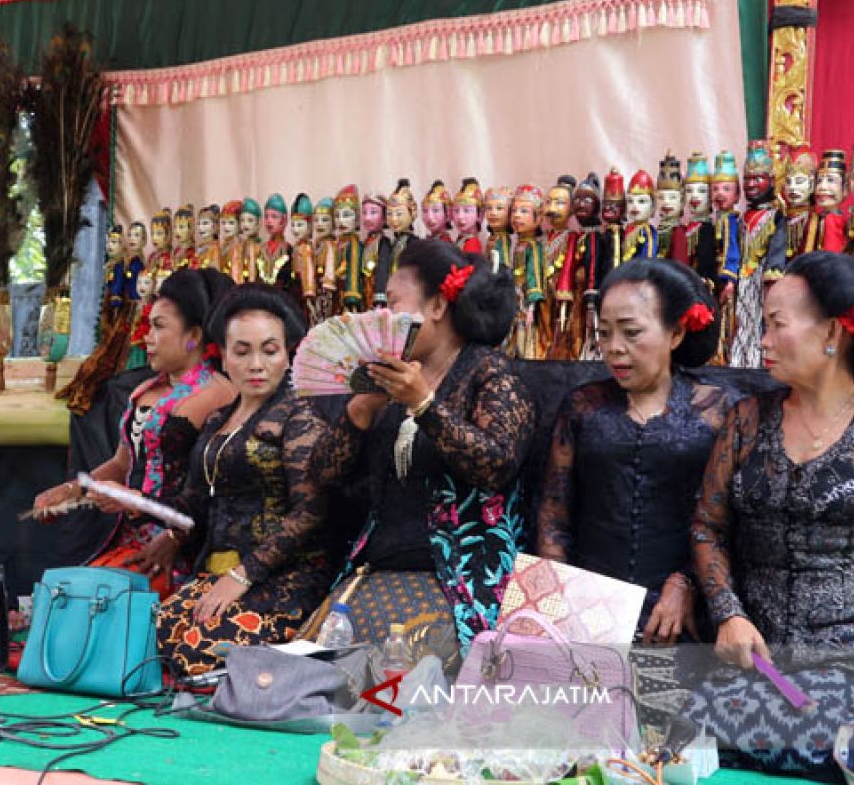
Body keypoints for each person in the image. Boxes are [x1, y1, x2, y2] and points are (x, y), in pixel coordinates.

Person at [313, 240, 535, 663]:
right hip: (376, 568)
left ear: (436, 307)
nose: (381, 316)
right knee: (320, 665)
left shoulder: (490, 374)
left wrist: (425, 405)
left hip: (460, 579)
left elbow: (495, 465)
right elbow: (321, 479)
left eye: (393, 303)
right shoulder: (388, 380)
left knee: (405, 670)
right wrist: (358, 411)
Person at [537, 258, 728, 644]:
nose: (614, 349)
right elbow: (554, 514)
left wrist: (689, 583)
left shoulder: (719, 411)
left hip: (681, 615)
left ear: (675, 333)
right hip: (587, 607)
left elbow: (728, 522)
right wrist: (553, 605)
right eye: (604, 334)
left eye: (631, 332)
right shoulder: (582, 406)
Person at [152, 285, 332, 675]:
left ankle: (300, 657)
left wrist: (243, 574)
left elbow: (312, 511)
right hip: (220, 572)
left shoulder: (299, 417)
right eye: (242, 351)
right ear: (224, 356)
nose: (256, 364)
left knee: (198, 654)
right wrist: (141, 508)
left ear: (288, 355)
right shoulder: (219, 420)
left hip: (285, 576)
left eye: (270, 351)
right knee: (159, 634)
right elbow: (196, 502)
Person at [691, 251, 854, 669]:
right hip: (752, 655)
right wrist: (729, 613)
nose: (763, 340)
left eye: (776, 324)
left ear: (833, 333)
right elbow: (707, 526)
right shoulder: (747, 419)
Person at [34, 269, 236, 598]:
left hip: (184, 549)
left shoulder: (218, 396)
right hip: (131, 539)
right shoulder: (143, 390)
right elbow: (121, 462)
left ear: (194, 336)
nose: (147, 337)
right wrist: (72, 490)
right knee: (67, 595)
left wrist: (174, 538)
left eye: (158, 327)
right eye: (149, 325)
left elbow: (216, 495)